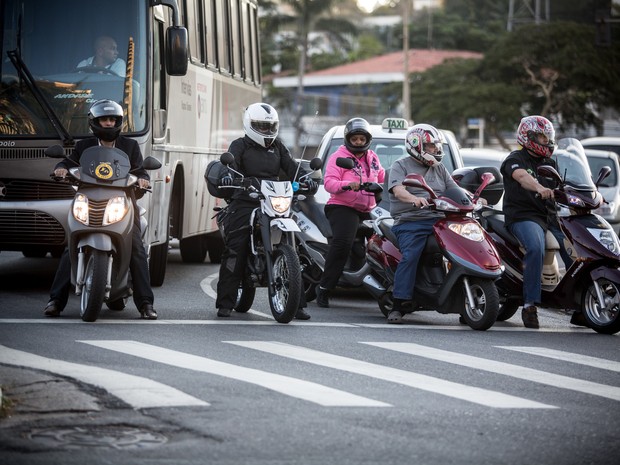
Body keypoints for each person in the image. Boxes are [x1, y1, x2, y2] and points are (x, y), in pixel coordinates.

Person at [43, 99, 157, 320]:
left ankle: (146, 304)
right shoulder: (84, 146)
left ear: (119, 122)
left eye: (112, 119)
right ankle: (55, 301)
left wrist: (143, 180)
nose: (108, 123)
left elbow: (140, 171)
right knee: (70, 248)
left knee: (136, 248)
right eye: (104, 119)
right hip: (88, 200)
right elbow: (67, 163)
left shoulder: (130, 146)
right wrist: (60, 169)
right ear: (94, 122)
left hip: (121, 202)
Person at [215, 102, 317, 320]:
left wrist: (306, 180)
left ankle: (296, 304)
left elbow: (291, 168)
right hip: (247, 198)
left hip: (274, 198)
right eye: (261, 126)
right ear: (250, 125)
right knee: (237, 246)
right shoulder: (239, 146)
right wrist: (229, 176)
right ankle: (225, 303)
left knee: (296, 245)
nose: (266, 131)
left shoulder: (278, 147)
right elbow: (229, 166)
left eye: (270, 126)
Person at [386, 124, 458, 324]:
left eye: (436, 146)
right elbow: (398, 190)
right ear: (417, 146)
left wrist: (474, 199)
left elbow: (454, 189)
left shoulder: (439, 167)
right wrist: (413, 199)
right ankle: (399, 303)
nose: (435, 150)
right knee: (410, 255)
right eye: (431, 146)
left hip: (439, 221)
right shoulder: (400, 166)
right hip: (411, 221)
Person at [315, 117, 385, 307]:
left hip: (370, 208)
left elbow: (382, 177)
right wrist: (348, 185)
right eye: (355, 140)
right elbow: (329, 183)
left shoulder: (373, 157)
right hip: (342, 206)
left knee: (387, 240)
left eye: (362, 139)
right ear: (348, 139)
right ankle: (324, 288)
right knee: (342, 243)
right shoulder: (339, 157)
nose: (359, 143)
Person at [500, 115, 559, 329]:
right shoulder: (514, 159)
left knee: (581, 249)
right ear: (528, 136)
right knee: (535, 247)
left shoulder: (551, 162)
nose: (546, 141)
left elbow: (563, 187)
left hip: (551, 217)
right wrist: (539, 188)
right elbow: (522, 176)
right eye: (542, 137)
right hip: (524, 216)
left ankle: (579, 301)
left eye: (547, 137)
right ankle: (529, 305)